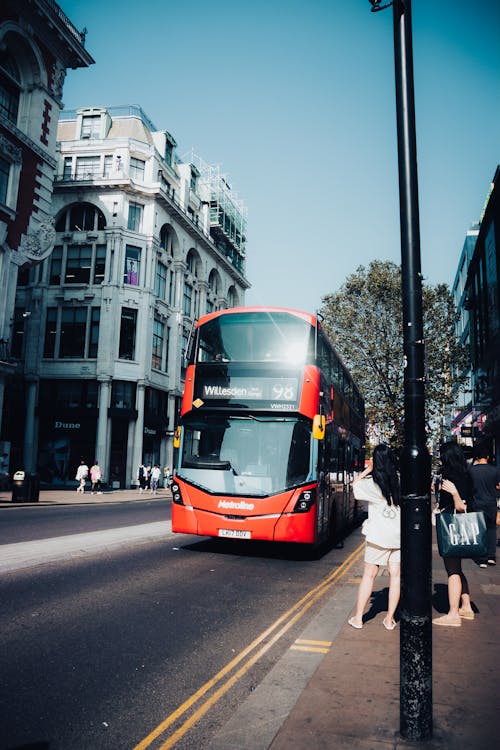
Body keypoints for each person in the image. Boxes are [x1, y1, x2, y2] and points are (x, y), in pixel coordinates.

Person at [348, 444, 401, 631]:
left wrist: (367, 470)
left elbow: (353, 485)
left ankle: (358, 618)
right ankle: (389, 619)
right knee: (395, 577)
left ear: (375, 462)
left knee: (369, 575)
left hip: (378, 537)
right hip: (398, 537)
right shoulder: (399, 481)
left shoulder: (371, 483)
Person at [433, 441, 475, 627]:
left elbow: (460, 507)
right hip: (460, 527)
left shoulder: (450, 477)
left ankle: (453, 614)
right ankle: (466, 607)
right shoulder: (466, 474)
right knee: (457, 568)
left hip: (452, 526)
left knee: (452, 571)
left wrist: (454, 493)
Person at [468, 441, 500, 568]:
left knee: (480, 531)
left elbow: (468, 488)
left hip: (477, 503)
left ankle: (482, 559)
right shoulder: (495, 470)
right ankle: (491, 556)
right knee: (492, 530)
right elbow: (498, 486)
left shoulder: (472, 471)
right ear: (487, 457)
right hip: (491, 503)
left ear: (476, 457)